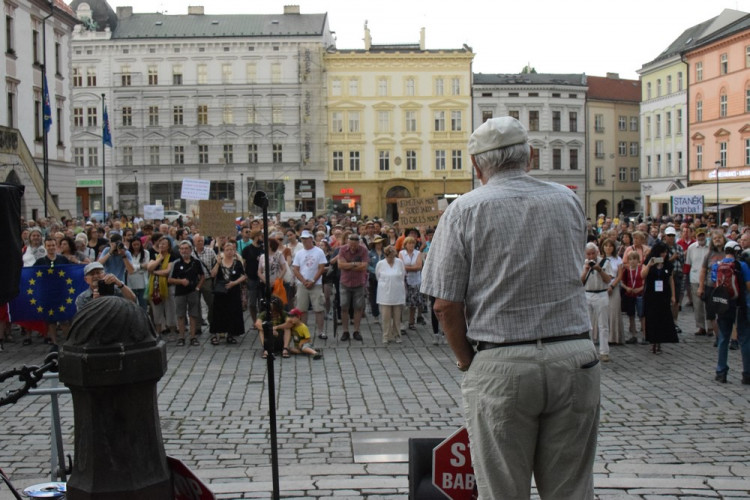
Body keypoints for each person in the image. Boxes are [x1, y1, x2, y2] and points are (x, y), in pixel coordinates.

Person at [421, 116, 599, 499]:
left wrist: (468, 362)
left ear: (475, 165)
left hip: (501, 360)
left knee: (502, 492)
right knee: (571, 491)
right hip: (573, 354)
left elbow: (445, 305)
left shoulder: (463, 210)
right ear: (530, 157)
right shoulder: (567, 199)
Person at [641, 241, 679, 354]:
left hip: (663, 294)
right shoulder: (649, 261)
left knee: (662, 317)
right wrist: (649, 265)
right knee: (652, 317)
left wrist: (673, 295)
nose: (664, 255)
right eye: (662, 253)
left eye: (666, 253)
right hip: (651, 294)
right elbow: (643, 275)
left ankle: (660, 341)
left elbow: (670, 279)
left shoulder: (668, 264)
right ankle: (652, 341)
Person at [168, 240, 205, 346]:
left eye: (186, 249)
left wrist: (198, 287)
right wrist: (180, 281)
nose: (184, 251)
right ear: (179, 250)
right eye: (182, 249)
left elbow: (202, 276)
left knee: (193, 314)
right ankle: (181, 337)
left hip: (193, 291)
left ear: (190, 250)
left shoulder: (196, 262)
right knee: (180, 315)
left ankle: (193, 337)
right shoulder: (176, 263)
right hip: (180, 292)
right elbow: (170, 279)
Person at [292, 230, 328, 339]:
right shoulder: (299, 253)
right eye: (303, 239)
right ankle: (303, 331)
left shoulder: (319, 251)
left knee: (319, 308)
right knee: (302, 309)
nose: (304, 241)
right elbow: (296, 269)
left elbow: (321, 268)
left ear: (311, 239)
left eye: (306, 239)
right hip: (302, 284)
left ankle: (320, 331)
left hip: (316, 283)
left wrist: (313, 280)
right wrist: (303, 281)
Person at [209, 239, 246, 345]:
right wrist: (217, 263)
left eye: (231, 249)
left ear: (234, 251)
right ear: (223, 251)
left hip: (233, 290)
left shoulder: (237, 262)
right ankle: (215, 334)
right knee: (218, 312)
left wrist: (234, 283)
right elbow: (212, 274)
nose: (229, 251)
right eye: (227, 249)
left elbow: (243, 276)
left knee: (232, 312)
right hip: (221, 291)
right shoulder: (219, 261)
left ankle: (230, 334)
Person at [582, 242, 613, 361]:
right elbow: (580, 282)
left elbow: (608, 280)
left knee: (603, 324)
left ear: (597, 252)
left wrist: (599, 269)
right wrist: (586, 270)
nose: (590, 256)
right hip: (587, 293)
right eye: (588, 254)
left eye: (593, 253)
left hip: (601, 293)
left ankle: (604, 351)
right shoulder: (582, 263)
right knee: (587, 324)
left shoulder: (605, 262)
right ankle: (589, 350)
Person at [336, 233, 369, 341]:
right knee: (344, 306)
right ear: (348, 242)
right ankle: (345, 331)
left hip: (358, 283)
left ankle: (356, 331)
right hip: (345, 282)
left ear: (358, 243)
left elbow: (364, 266)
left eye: (355, 245)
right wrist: (355, 264)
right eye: (351, 245)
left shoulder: (363, 250)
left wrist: (348, 265)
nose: (353, 247)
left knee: (358, 307)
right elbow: (340, 265)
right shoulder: (342, 249)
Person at [375, 245, 406, 345]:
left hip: (397, 293)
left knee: (397, 317)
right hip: (384, 294)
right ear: (385, 256)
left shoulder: (399, 262)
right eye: (389, 257)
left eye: (393, 256)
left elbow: (402, 275)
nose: (391, 259)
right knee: (385, 316)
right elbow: (377, 276)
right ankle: (386, 335)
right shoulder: (380, 264)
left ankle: (397, 335)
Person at [686, 228, 710, 336]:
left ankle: (710, 327)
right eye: (699, 235)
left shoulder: (710, 247)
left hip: (709, 279)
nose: (701, 237)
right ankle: (701, 327)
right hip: (695, 278)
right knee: (697, 304)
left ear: (705, 235)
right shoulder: (691, 248)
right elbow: (689, 262)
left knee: (709, 304)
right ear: (695, 236)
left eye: (702, 235)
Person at [620, 251, 647, 344]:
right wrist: (627, 288)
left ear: (638, 260)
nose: (632, 261)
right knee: (631, 315)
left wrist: (639, 288)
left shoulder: (641, 270)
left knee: (642, 316)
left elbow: (645, 283)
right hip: (629, 295)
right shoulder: (626, 271)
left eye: (634, 259)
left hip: (639, 295)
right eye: (630, 259)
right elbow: (622, 282)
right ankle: (634, 335)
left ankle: (645, 335)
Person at [127, 236, 150, 311]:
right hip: (131, 282)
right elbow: (128, 268)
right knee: (132, 306)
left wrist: (133, 268)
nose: (136, 247)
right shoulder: (128, 254)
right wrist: (140, 266)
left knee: (143, 305)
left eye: (138, 244)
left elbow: (146, 266)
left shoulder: (146, 253)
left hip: (142, 282)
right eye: (134, 245)